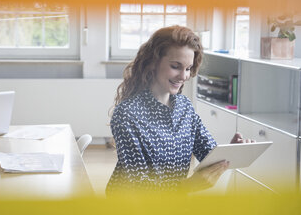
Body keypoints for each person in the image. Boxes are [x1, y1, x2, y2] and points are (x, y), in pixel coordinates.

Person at [106, 25, 247, 194]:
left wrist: (229, 153)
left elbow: (207, 152)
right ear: (153, 62)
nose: (184, 76)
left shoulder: (185, 107)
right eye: (176, 66)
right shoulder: (127, 114)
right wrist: (189, 186)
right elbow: (138, 184)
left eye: (188, 69)